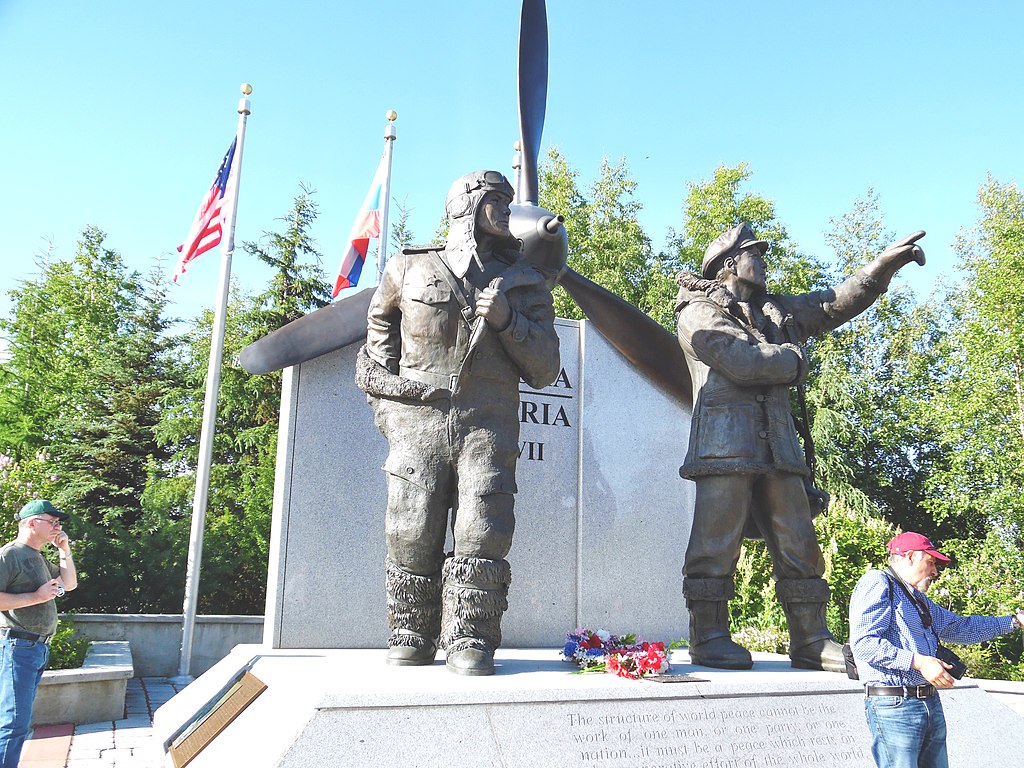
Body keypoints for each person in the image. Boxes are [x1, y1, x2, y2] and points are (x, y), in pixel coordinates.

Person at [675, 222, 925, 672]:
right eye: (757, 254)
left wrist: (882, 267)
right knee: (715, 543)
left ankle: (810, 638)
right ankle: (709, 635)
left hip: (779, 450)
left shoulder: (777, 312)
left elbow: (831, 304)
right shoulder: (696, 311)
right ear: (731, 264)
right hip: (724, 448)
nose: (765, 262)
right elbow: (743, 362)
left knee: (800, 543)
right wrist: (793, 358)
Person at [355, 170, 560, 676]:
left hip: (488, 427)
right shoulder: (407, 268)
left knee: (483, 529)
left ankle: (471, 636)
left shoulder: (526, 281)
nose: (507, 212)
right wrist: (393, 417)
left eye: (509, 204)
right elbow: (376, 359)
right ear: (465, 206)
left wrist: (509, 321)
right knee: (410, 527)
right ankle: (410, 631)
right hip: (416, 426)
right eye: (496, 201)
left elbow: (546, 368)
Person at [849, 532, 1024, 768]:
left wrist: (1014, 622)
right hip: (895, 707)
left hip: (929, 701)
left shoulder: (917, 598)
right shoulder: (877, 582)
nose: (935, 572)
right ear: (910, 557)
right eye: (930, 562)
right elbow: (864, 643)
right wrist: (919, 662)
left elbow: (959, 627)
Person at [0, 499, 77, 767]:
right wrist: (36, 596)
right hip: (17, 646)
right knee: (13, 722)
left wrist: (64, 550)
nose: (58, 527)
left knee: (18, 721)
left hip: (36, 648)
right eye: (52, 522)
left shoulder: (38, 556)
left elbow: (70, 583)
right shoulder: (10, 554)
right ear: (32, 523)